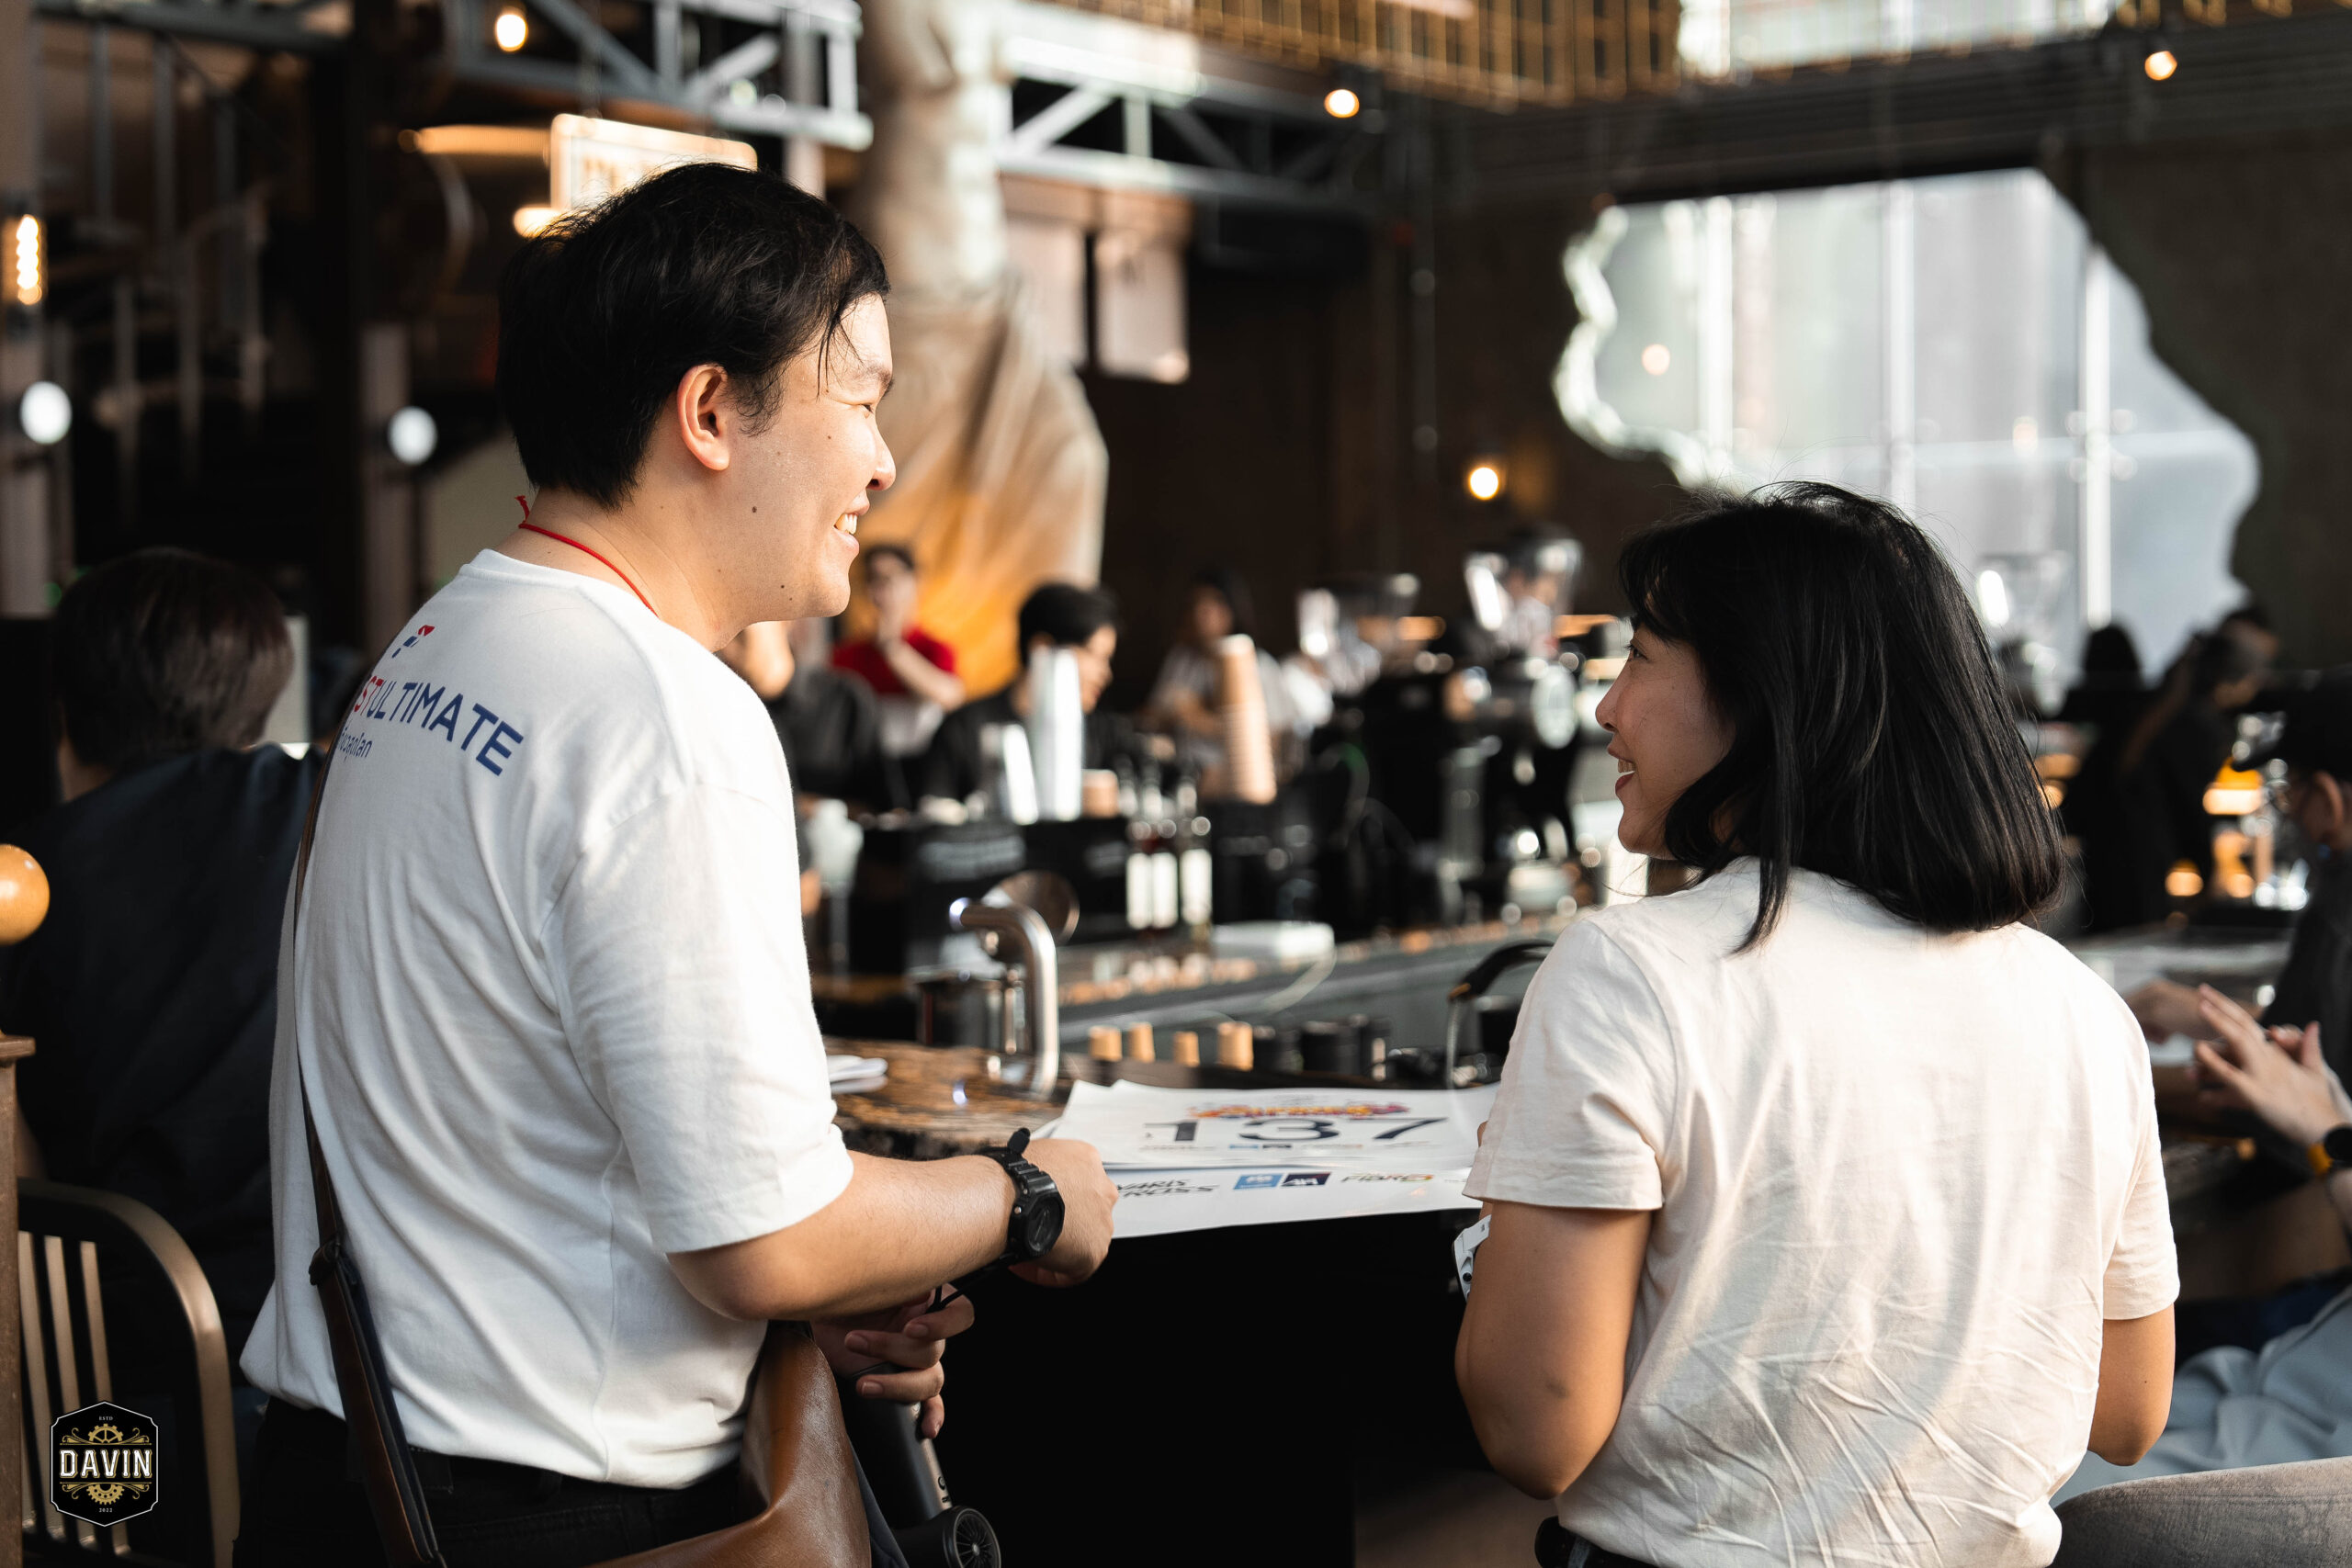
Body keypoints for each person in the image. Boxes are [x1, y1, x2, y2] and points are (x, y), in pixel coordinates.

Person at [235, 163, 1115, 1568]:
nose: (885, 463)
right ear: (710, 412)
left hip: (348, 1472)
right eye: (862, 399)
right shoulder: (662, 712)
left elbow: (523, 1130)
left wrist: (845, 1270)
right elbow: (765, 1239)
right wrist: (1030, 1194)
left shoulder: (437, 646)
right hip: (553, 1516)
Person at [1456, 482, 2175, 1568]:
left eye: (1640, 656)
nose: (1606, 708)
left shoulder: (1629, 973)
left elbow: (1533, 1433)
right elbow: (2125, 1408)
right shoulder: (2081, 1008)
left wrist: (1497, 1248)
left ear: (1762, 694)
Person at [0, 547, 310, 1423]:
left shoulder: (20, 882)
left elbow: (14, 1173)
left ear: (64, 712)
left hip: (110, 1377)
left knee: (93, 1494)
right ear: (259, 702)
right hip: (335, 1366)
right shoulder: (319, 812)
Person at [2055, 980, 2352, 1499]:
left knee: (2026, 1489)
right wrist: (2322, 1101)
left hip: (2305, 1458)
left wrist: (2328, 1131)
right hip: (2262, 1378)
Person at [2130, 670, 2352, 1085]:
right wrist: (2203, 1013)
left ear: (2327, 798)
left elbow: (2285, 1090)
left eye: (2291, 791)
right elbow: (2313, 1033)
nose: (2292, 812)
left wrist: (2126, 1079)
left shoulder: (2337, 919)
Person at [2075, 614, 2276, 931]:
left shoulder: (2162, 709)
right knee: (2134, 937)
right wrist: (2209, 872)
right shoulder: (2198, 725)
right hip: (2137, 854)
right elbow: (2190, 803)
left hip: (2112, 849)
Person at [919, 581, 1118, 809]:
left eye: (1107, 659)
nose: (1105, 674)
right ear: (1042, 648)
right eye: (1094, 655)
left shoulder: (1100, 733)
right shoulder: (964, 727)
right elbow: (934, 811)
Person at [1141, 568, 1297, 786]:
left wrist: (1199, 719)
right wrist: (1168, 716)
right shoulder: (1183, 660)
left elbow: (1274, 741)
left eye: (1213, 603)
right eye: (1195, 603)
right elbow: (1150, 716)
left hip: (1234, 782)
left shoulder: (1258, 666)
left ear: (1232, 608)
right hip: (1183, 777)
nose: (1202, 612)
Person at [719, 617, 893, 807]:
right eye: (719, 638)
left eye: (739, 634)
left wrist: (824, 810)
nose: (726, 649)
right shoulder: (722, 717)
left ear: (783, 620)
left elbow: (885, 805)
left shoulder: (845, 701)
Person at [831, 543, 965, 758]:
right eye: (874, 579)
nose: (884, 589)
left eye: (892, 577)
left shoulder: (934, 649)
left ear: (915, 581)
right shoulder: (847, 654)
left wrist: (892, 649)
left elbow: (950, 696)